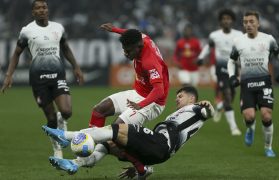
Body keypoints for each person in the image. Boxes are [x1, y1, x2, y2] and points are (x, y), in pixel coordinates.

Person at [42, 86, 214, 178]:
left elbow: (209, 113)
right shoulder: (177, 114)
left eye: (180, 96)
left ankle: (66, 136)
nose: (176, 98)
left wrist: (208, 105)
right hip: (157, 150)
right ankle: (75, 164)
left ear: (192, 98)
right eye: (177, 96)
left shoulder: (195, 108)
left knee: (115, 129)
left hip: (160, 143)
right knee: (108, 144)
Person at [0, 0, 84, 158]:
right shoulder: (27, 31)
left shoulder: (58, 28)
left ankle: (62, 119)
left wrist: (76, 67)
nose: (41, 10)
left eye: (44, 7)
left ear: (48, 10)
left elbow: (65, 48)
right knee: (51, 119)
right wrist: (9, 75)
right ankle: (56, 148)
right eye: (37, 8)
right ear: (33, 12)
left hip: (58, 75)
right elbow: (17, 53)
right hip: (39, 80)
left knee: (66, 111)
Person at [227, 10, 279, 157]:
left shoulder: (268, 39)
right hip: (246, 84)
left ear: (258, 23)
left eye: (251, 21)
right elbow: (231, 61)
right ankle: (250, 129)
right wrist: (231, 76)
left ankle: (268, 147)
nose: (248, 24)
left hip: (264, 83)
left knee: (266, 116)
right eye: (245, 22)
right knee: (249, 117)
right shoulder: (238, 41)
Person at [89, 23, 169, 128]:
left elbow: (159, 90)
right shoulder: (141, 39)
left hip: (152, 103)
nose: (126, 54)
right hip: (138, 93)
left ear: (139, 46)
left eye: (128, 50)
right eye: (124, 50)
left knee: (117, 129)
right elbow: (132, 33)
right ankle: (90, 141)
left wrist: (141, 105)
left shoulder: (149, 62)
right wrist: (114, 29)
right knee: (99, 110)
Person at [198, 9, 242, 136]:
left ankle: (220, 106)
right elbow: (208, 47)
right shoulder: (215, 35)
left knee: (231, 96)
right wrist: (201, 57)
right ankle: (233, 128)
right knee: (227, 94)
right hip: (221, 68)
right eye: (224, 19)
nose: (226, 21)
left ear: (232, 21)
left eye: (228, 18)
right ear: (220, 21)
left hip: (234, 68)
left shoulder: (238, 34)